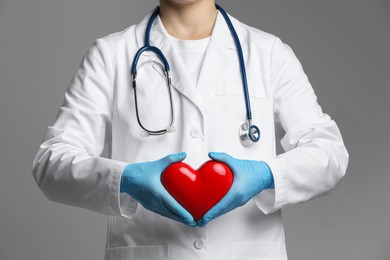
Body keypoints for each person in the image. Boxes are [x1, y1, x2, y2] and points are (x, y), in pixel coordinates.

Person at [31, 0, 349, 259]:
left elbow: (329, 153)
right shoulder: (110, 55)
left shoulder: (269, 54)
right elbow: (50, 163)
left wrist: (265, 174)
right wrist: (125, 179)